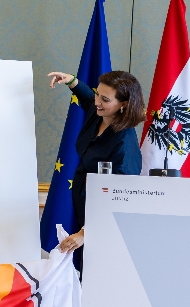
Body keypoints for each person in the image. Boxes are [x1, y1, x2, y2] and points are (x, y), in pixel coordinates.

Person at [47, 70, 144, 273]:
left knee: (97, 272)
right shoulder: (99, 112)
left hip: (106, 223)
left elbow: (120, 201)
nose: (97, 101)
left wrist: (85, 233)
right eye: (98, 94)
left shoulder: (124, 146)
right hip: (85, 204)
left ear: (123, 104)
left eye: (105, 99)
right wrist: (71, 81)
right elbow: (87, 97)